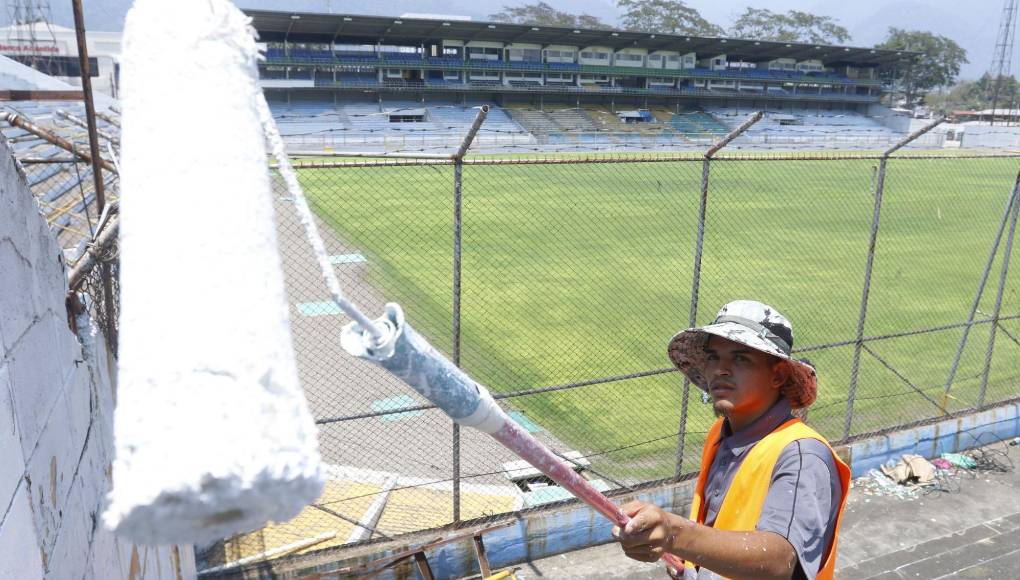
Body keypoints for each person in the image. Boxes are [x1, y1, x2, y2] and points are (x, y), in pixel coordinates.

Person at [614, 300, 850, 580]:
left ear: (777, 375)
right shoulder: (721, 434)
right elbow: (723, 528)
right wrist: (693, 562)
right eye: (713, 357)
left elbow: (778, 560)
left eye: (740, 358)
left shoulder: (800, 455)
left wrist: (677, 535)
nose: (719, 369)